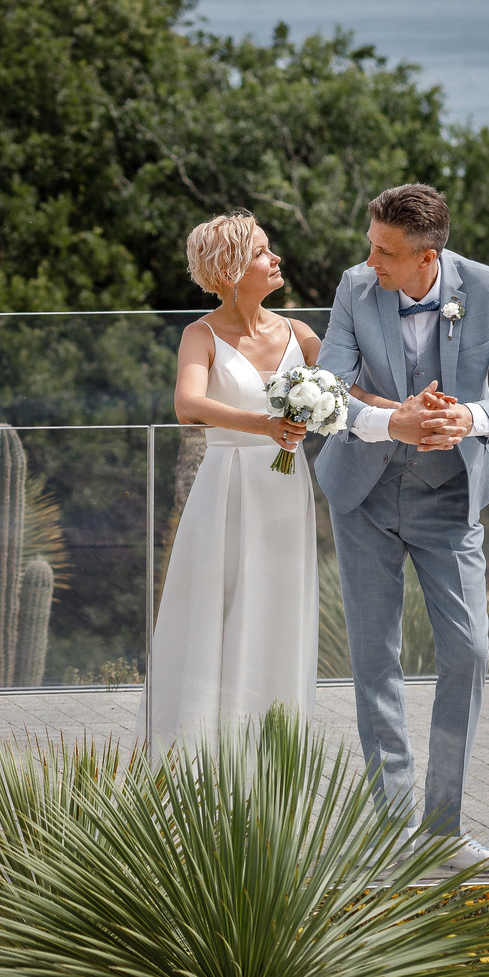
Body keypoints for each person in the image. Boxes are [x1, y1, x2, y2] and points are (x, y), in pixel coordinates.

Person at [312, 183, 489, 873]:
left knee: (468, 651)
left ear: (428, 254)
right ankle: (388, 835)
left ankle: (442, 830)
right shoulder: (356, 287)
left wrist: (466, 418)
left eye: (385, 251)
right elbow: (329, 388)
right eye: (371, 243)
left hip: (450, 499)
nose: (369, 260)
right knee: (376, 662)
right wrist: (395, 421)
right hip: (366, 496)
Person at [141, 212, 323, 750]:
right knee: (216, 610)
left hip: (285, 493)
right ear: (230, 267)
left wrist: (403, 409)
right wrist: (265, 425)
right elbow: (187, 404)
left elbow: (349, 391)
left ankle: (271, 754)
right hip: (224, 490)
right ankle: (203, 751)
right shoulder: (200, 335)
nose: (276, 260)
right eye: (264, 252)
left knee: (277, 610)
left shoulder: (301, 334)